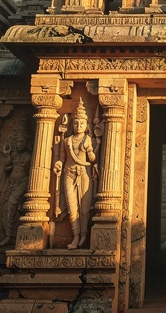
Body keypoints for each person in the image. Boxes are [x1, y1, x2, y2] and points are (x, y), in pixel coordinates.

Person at [54, 99, 97, 249]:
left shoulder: (88, 139)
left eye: (82, 123)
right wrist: (58, 164)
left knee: (84, 207)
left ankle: (84, 234)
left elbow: (92, 159)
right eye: (76, 123)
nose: (78, 126)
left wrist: (89, 150)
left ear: (86, 126)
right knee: (72, 207)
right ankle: (75, 236)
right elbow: (61, 158)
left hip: (84, 173)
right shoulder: (67, 141)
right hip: (68, 173)